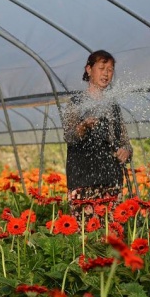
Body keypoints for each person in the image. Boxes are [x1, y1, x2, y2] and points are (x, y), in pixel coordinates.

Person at [61, 50, 132, 221]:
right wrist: (83, 127)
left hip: (111, 180)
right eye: (102, 68)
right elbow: (69, 136)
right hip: (83, 180)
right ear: (88, 69)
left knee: (111, 233)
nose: (106, 73)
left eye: (110, 69)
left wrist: (126, 151)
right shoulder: (76, 103)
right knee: (85, 233)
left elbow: (125, 141)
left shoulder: (113, 106)